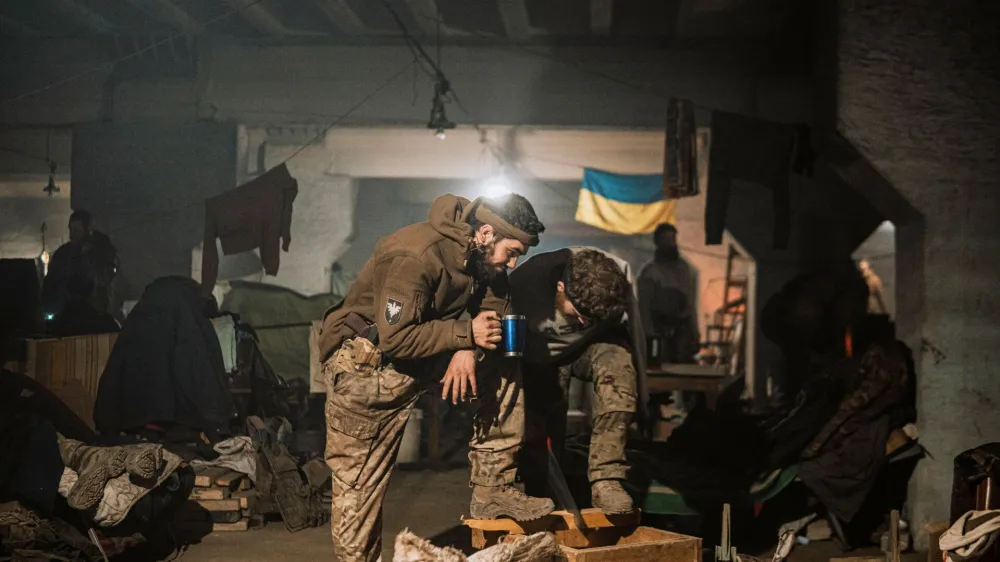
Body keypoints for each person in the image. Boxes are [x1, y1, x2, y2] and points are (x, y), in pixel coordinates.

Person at [318, 193, 553, 562]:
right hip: (366, 369)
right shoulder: (416, 255)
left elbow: (493, 308)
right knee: (357, 493)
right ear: (487, 232)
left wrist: (466, 346)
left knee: (504, 363)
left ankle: (493, 487)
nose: (513, 262)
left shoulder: (481, 257)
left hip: (422, 356)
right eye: (512, 250)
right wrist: (464, 334)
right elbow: (396, 337)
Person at [511, 247, 643, 514]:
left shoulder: (620, 279)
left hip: (588, 349)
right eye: (579, 313)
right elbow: (506, 354)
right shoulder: (523, 286)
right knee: (543, 438)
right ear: (561, 286)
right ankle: (541, 495)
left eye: (592, 319)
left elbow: (634, 338)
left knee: (617, 364)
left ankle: (607, 479)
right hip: (540, 357)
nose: (584, 322)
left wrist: (642, 396)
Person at [40, 210, 119, 326]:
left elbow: (105, 278)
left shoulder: (101, 252)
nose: (72, 235)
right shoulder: (63, 254)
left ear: (87, 231)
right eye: (70, 230)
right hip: (68, 314)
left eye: (76, 231)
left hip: (95, 313)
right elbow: (52, 283)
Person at [636, 223, 699, 364]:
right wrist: (648, 334)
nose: (670, 243)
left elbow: (691, 301)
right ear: (658, 242)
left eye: (672, 239)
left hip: (682, 329)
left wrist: (694, 331)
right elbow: (644, 307)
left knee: (684, 368)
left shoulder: (685, 270)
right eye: (666, 239)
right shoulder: (650, 273)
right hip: (659, 330)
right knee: (660, 366)